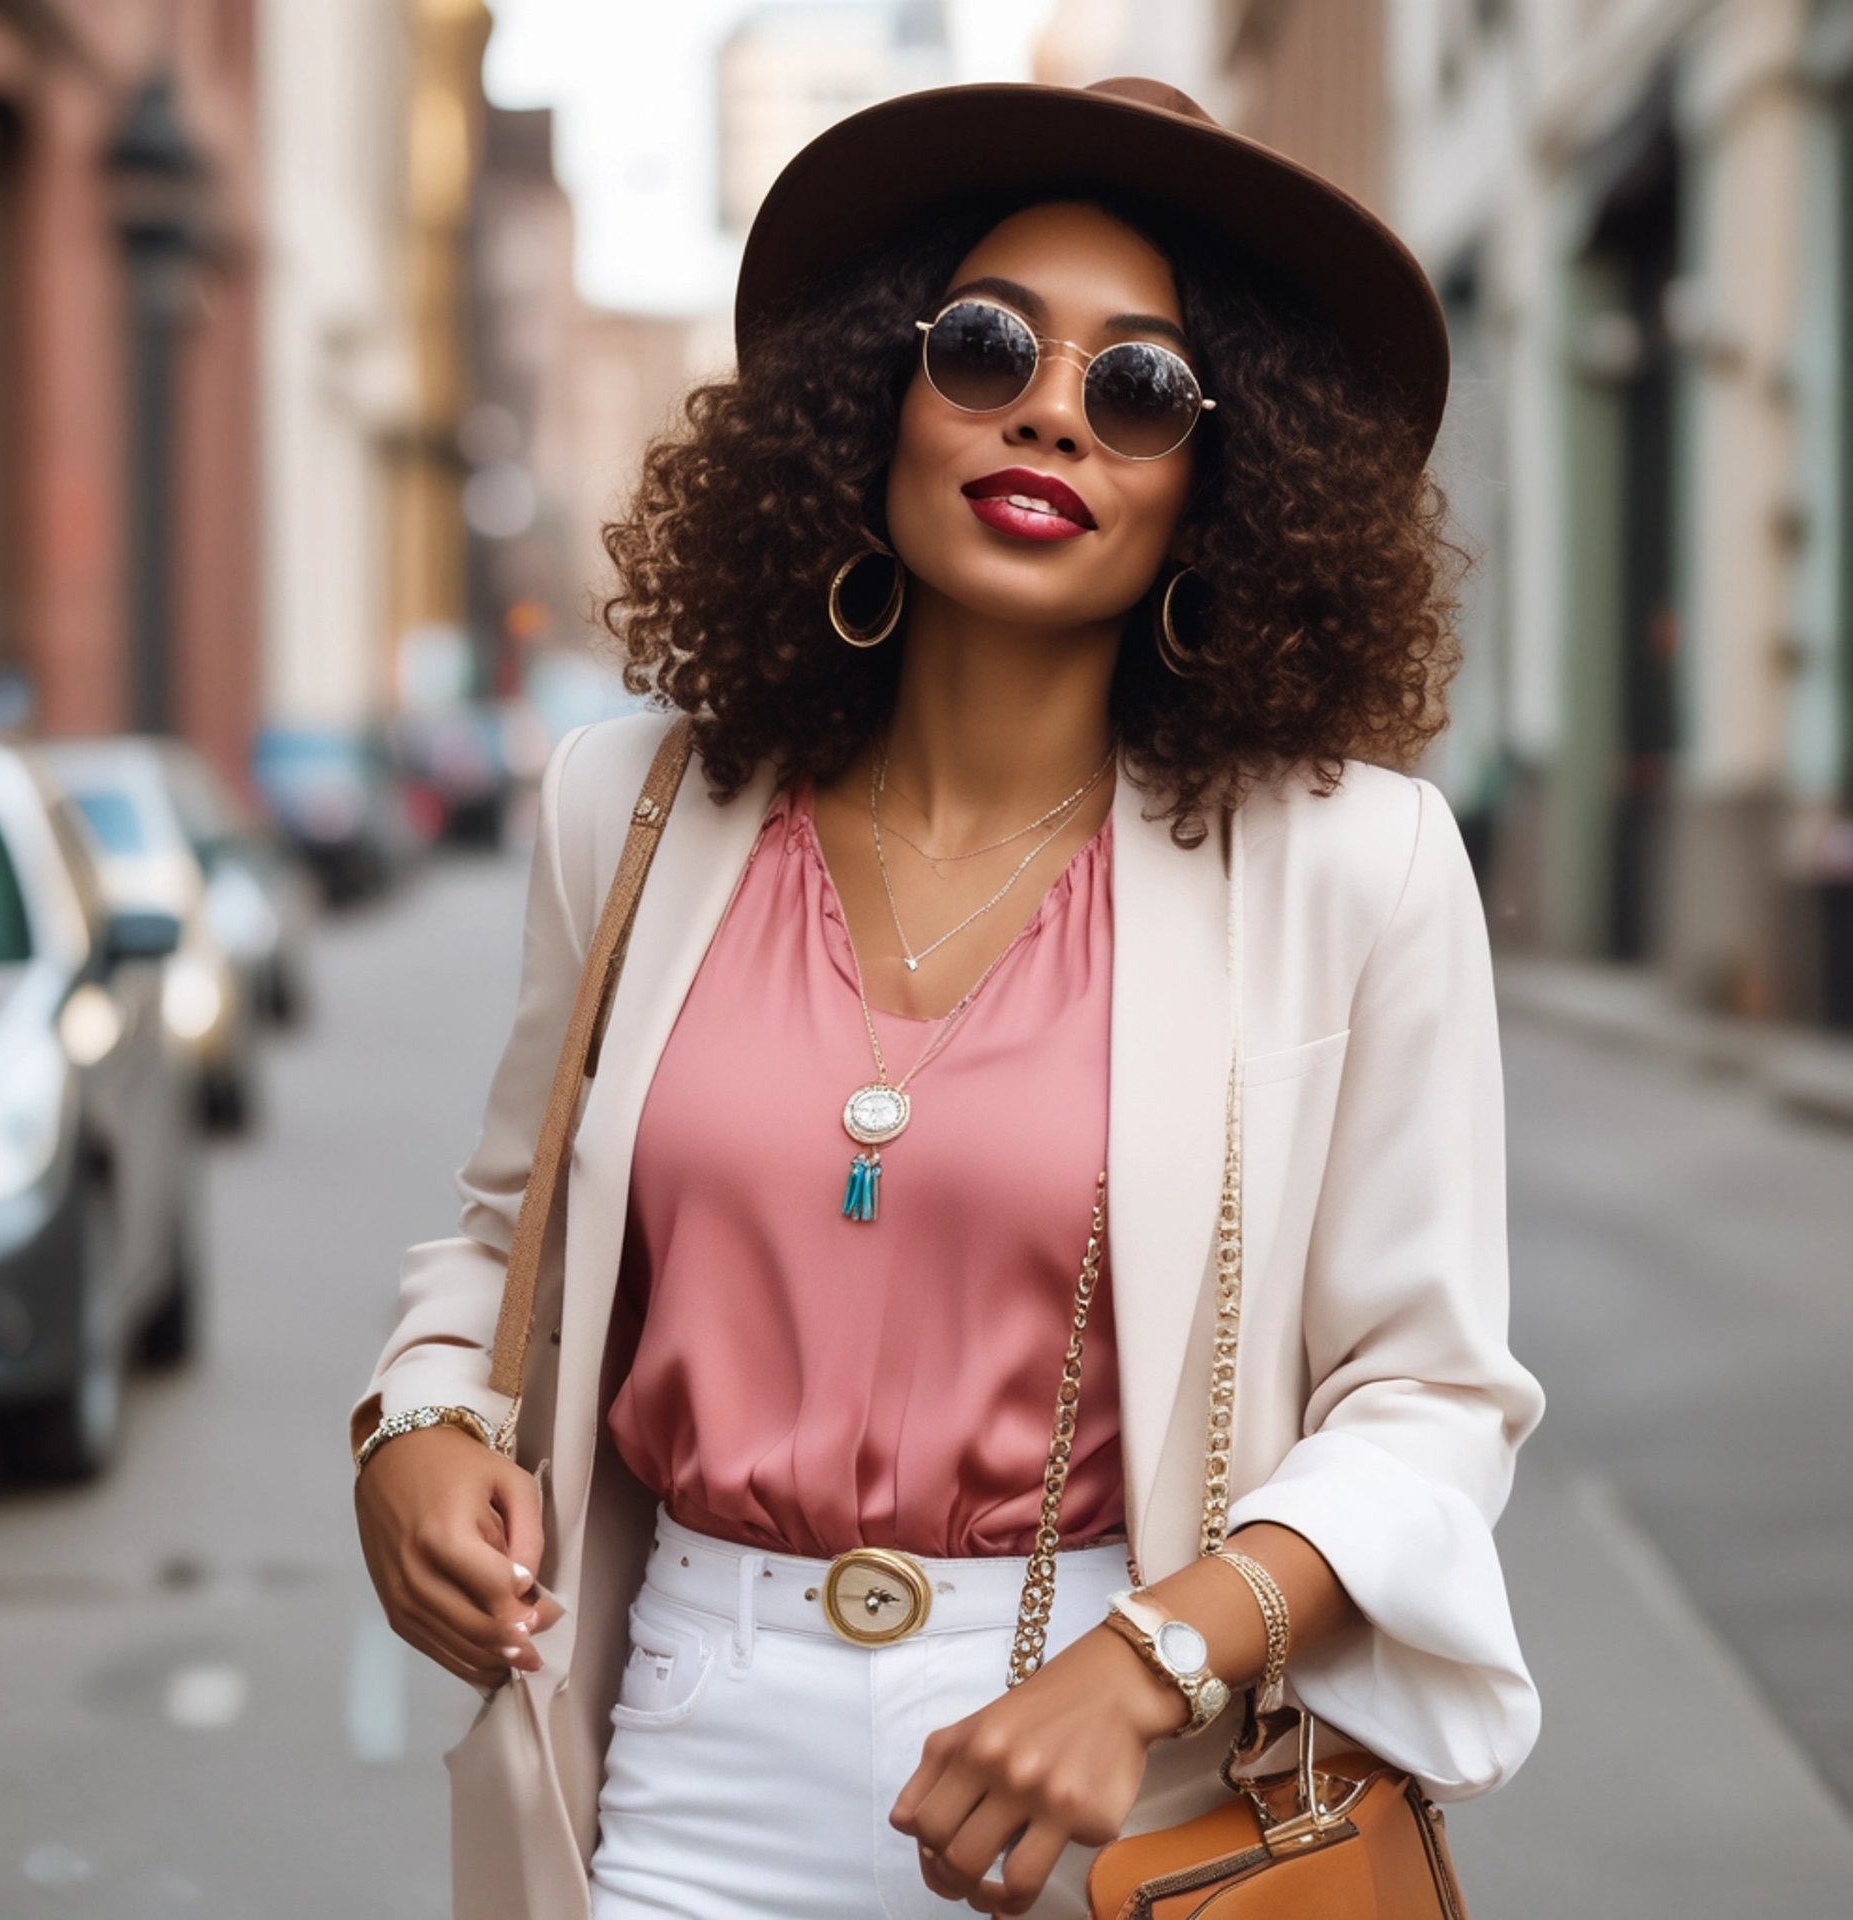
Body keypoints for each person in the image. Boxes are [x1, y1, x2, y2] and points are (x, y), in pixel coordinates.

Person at [350, 76, 1544, 1920]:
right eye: (988, 348)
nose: (1054, 409)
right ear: (875, 396)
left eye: (1139, 385)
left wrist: (1158, 1659)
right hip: (682, 1748)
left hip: (1121, 1789)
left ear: (1215, 482)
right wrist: (415, 1427)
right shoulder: (631, 808)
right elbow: (506, 1238)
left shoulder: (1354, 863)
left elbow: (1431, 1395)